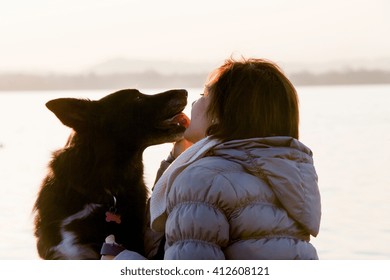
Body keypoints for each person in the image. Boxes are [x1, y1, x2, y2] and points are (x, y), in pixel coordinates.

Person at [114, 57, 321, 260]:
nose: (194, 103)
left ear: (222, 115)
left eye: (203, 95)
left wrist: (120, 262)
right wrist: (177, 160)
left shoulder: (201, 180)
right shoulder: (288, 177)